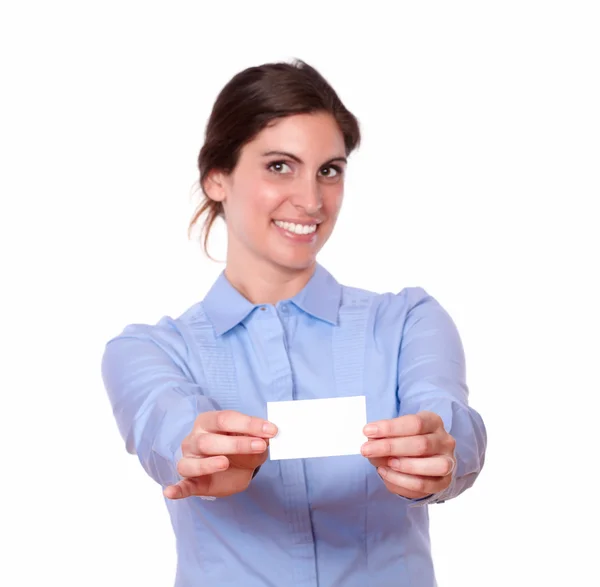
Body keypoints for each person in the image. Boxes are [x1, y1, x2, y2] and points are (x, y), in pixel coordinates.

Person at [101, 59, 487, 587]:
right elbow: (164, 425)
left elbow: (451, 423)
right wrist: (196, 450)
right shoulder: (149, 350)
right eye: (280, 165)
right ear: (217, 178)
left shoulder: (407, 321)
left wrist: (441, 456)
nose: (311, 200)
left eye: (329, 170)